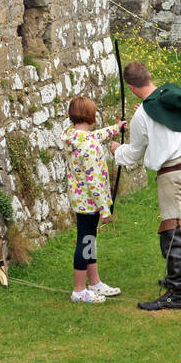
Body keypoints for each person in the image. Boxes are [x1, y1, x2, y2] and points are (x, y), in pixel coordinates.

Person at [110, 61, 181, 312]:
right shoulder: (172, 96)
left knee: (172, 232)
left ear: (130, 87)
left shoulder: (142, 115)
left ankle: (175, 294)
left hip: (173, 175)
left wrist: (117, 150)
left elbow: (134, 154)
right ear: (149, 77)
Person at [62, 96, 126, 303]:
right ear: (91, 116)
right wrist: (105, 209)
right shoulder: (88, 145)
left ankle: (95, 282)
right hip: (90, 202)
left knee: (89, 238)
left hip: (82, 201)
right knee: (85, 240)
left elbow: (95, 135)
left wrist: (115, 128)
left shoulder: (75, 136)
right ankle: (79, 290)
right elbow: (95, 181)